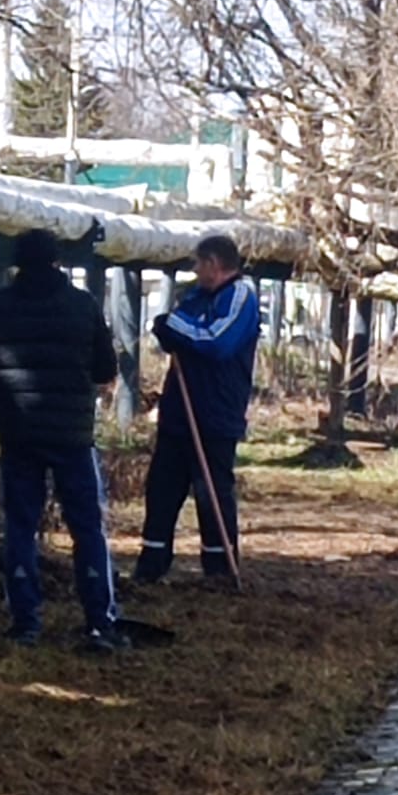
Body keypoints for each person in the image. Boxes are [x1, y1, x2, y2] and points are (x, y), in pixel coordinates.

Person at [0, 228, 123, 652]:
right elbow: (105, 368)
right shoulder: (83, 305)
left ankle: (26, 622)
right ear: (57, 260)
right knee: (87, 526)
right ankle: (99, 621)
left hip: (19, 431)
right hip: (72, 434)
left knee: (21, 525)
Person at [134, 233, 260, 584]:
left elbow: (217, 341)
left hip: (216, 414)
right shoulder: (195, 296)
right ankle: (152, 563)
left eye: (198, 263)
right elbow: (177, 327)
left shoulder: (240, 296)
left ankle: (219, 568)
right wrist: (169, 329)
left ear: (213, 263)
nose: (194, 270)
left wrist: (173, 327)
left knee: (212, 492)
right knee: (162, 488)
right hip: (179, 411)